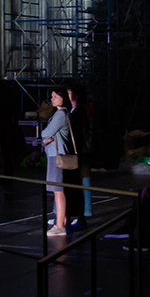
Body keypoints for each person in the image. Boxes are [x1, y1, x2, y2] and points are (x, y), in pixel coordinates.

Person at [39, 85, 73, 236]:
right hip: (56, 154)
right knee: (58, 190)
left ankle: (60, 225)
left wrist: (46, 138)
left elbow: (45, 133)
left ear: (62, 98)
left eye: (54, 96)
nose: (51, 99)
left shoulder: (60, 114)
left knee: (58, 190)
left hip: (57, 156)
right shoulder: (62, 114)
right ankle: (61, 222)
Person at [65, 82, 93, 220]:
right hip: (78, 153)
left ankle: (79, 215)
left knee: (77, 185)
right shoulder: (74, 111)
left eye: (69, 93)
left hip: (78, 153)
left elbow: (77, 133)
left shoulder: (79, 112)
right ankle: (77, 215)